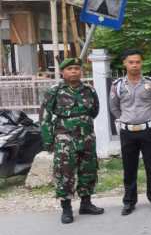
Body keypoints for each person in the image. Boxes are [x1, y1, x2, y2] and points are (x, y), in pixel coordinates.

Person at [40, 58, 104, 224]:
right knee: (65, 172)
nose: (74, 71)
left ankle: (86, 203)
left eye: (77, 68)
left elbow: (95, 111)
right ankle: (66, 208)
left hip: (87, 136)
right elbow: (45, 117)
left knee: (88, 169)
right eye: (70, 69)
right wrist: (48, 140)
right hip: (65, 138)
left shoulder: (89, 90)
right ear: (63, 72)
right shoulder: (54, 91)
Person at [109, 49, 151, 215]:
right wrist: (125, 118)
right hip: (128, 133)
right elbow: (114, 107)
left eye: (137, 62)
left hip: (147, 130)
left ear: (141, 63)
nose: (134, 65)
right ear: (124, 64)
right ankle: (129, 201)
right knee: (129, 167)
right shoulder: (117, 85)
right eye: (131, 62)